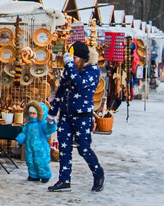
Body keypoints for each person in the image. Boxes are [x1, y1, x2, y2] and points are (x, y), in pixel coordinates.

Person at [47, 41, 105, 192]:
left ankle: (98, 173)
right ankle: (64, 179)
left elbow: (79, 84)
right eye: (71, 58)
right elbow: (60, 92)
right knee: (64, 149)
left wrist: (69, 65)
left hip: (83, 116)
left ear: (83, 58)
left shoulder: (92, 71)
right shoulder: (71, 69)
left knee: (83, 149)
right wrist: (52, 113)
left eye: (75, 58)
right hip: (66, 116)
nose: (73, 61)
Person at [15, 101, 56, 183]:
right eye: (30, 113)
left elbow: (48, 130)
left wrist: (51, 124)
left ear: (40, 114)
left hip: (40, 148)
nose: (32, 115)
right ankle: (33, 175)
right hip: (29, 148)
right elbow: (24, 134)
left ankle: (45, 175)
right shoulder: (28, 125)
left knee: (41, 161)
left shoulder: (42, 124)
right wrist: (19, 141)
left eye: (34, 113)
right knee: (30, 161)